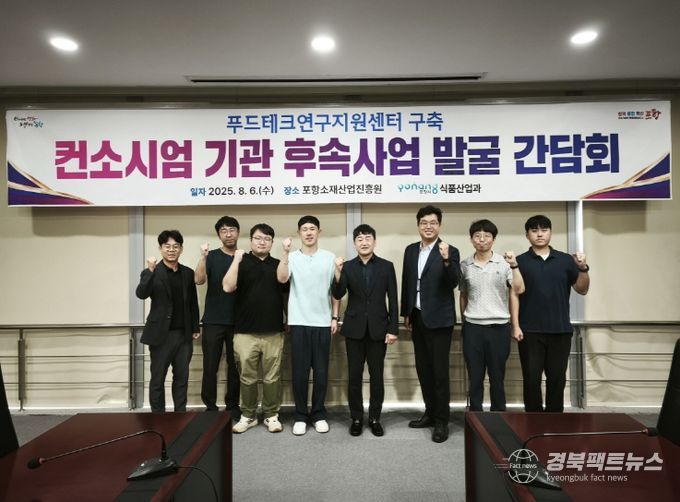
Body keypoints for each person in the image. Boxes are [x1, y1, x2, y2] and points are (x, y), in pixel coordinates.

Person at [515, 215, 590, 412]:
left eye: (544, 230)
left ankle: (555, 421)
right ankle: (533, 420)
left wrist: (583, 268)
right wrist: (515, 325)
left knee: (557, 380)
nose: (539, 234)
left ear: (550, 232)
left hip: (560, 330)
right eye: (534, 231)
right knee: (531, 379)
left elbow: (582, 289)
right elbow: (513, 294)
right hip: (530, 331)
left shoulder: (565, 260)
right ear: (527, 235)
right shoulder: (519, 262)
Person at [401, 205, 460, 443]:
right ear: (418, 226)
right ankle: (430, 413)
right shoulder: (410, 250)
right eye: (424, 223)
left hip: (440, 320)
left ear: (439, 225)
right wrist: (406, 312)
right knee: (423, 369)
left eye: (433, 222)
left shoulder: (449, 250)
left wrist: (446, 260)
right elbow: (407, 281)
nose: (428, 226)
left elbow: (454, 281)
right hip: (417, 317)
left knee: (439, 372)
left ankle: (442, 421)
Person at [332, 224, 398, 437]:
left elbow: (393, 299)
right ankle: (357, 418)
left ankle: (375, 418)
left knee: (377, 377)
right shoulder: (348, 267)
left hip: (379, 329)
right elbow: (338, 294)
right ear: (354, 243)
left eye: (368, 238)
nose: (364, 242)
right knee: (354, 376)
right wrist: (338, 273)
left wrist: (393, 329)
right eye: (359, 239)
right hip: (354, 330)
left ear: (374, 241)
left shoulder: (387, 266)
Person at [277, 215, 340, 435]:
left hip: (322, 323)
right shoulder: (292, 257)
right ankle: (301, 415)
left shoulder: (329, 258)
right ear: (299, 233)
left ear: (319, 232)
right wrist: (285, 253)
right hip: (299, 322)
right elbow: (282, 279)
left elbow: (335, 291)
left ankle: (319, 413)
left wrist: (335, 317)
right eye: (304, 229)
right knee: (300, 373)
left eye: (313, 228)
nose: (309, 232)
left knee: (321, 372)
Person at [223, 224, 288, 434]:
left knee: (272, 377)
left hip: (273, 331)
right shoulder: (240, 262)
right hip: (245, 332)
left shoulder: (277, 264)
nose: (262, 242)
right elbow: (227, 286)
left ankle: (271, 414)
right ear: (251, 240)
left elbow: (284, 284)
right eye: (258, 238)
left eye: (267, 239)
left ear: (271, 243)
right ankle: (248, 415)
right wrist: (236, 259)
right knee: (247, 377)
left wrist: (286, 253)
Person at [459, 219, 525, 412]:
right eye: (477, 236)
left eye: (487, 236)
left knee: (497, 376)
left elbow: (519, 289)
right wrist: (464, 322)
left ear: (493, 239)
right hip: (473, 328)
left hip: (499, 328)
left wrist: (514, 265)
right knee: (475, 377)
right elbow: (463, 295)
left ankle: (498, 415)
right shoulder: (465, 265)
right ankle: (476, 416)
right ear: (471, 239)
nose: (482, 239)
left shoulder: (505, 264)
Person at [136, 230, 200, 412]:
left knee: (181, 378)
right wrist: (150, 270)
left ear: (181, 249)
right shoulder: (151, 272)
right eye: (167, 246)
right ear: (160, 248)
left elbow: (193, 303)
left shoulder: (187, 273)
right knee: (157, 379)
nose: (171, 250)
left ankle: (180, 415)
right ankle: (158, 417)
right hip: (160, 335)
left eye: (175, 246)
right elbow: (141, 294)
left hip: (183, 335)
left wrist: (195, 327)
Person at [194, 216, 241, 416]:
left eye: (232, 230)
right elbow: (198, 280)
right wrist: (203, 257)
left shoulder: (243, 257)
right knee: (210, 366)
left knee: (235, 367)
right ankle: (210, 407)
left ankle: (233, 406)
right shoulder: (211, 256)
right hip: (213, 320)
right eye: (223, 231)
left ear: (238, 232)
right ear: (219, 235)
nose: (228, 234)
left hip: (239, 321)